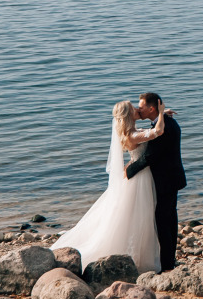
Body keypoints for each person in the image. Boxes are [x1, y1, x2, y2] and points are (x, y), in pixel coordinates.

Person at [52, 101, 164, 273]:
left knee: (139, 215)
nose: (137, 109)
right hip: (139, 178)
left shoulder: (130, 132)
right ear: (128, 114)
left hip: (139, 175)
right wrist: (162, 113)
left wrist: (159, 116)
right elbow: (157, 132)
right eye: (133, 108)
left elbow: (148, 131)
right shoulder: (132, 135)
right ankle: (138, 258)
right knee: (140, 216)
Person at [124, 92, 185, 272]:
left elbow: (150, 157)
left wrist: (129, 171)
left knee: (163, 221)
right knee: (168, 220)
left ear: (151, 108)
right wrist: (163, 114)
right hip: (169, 179)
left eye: (141, 107)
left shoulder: (163, 127)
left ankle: (166, 264)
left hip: (166, 181)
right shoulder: (164, 122)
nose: (138, 110)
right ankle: (168, 261)